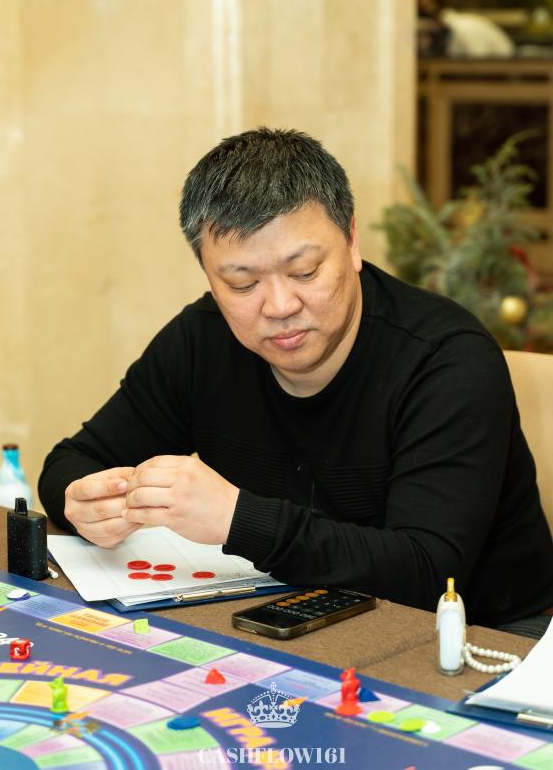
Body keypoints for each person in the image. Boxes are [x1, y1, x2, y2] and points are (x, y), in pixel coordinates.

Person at [39, 128, 553, 634]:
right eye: (242, 284)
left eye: (305, 271)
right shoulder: (202, 339)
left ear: (352, 241)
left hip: (481, 635)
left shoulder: (447, 360)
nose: (280, 306)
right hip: (287, 610)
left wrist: (236, 518)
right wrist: (86, 501)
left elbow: (424, 573)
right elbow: (72, 462)